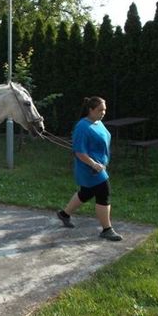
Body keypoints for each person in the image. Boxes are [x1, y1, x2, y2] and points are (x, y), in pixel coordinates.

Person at [56, 97, 122, 241]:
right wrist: (93, 164)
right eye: (100, 110)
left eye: (104, 110)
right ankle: (107, 229)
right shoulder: (82, 127)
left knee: (86, 192)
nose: (103, 113)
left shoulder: (98, 122)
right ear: (90, 110)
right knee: (104, 192)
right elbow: (79, 152)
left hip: (99, 166)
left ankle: (64, 214)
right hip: (90, 169)